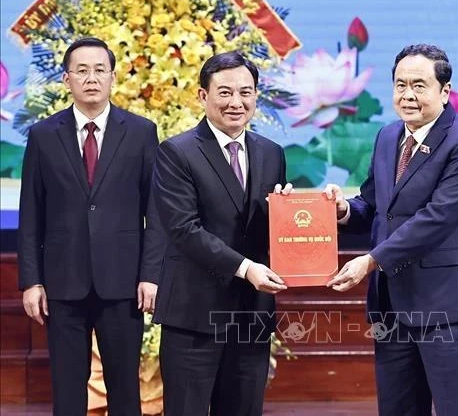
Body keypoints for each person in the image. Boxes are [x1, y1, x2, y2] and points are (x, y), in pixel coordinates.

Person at [325, 44, 458, 416]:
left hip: (444, 305)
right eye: (400, 85)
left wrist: (371, 261)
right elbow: (374, 205)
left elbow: (438, 218)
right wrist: (342, 212)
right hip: (391, 305)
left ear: (445, 92)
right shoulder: (388, 136)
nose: (408, 95)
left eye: (419, 85)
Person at [18, 37, 163, 416]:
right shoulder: (43, 135)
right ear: (66, 79)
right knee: (67, 390)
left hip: (123, 282)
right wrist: (31, 280)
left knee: (124, 390)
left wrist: (150, 274)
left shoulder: (141, 132)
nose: (91, 78)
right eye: (81, 71)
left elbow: (157, 211)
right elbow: (31, 212)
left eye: (100, 70)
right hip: (62, 283)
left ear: (113, 77)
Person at [152, 51, 291, 416]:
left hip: (251, 318)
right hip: (194, 316)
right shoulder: (176, 152)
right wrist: (246, 268)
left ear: (256, 96)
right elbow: (184, 230)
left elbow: (267, 226)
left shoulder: (272, 153)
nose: (236, 102)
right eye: (225, 92)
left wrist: (291, 213)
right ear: (203, 96)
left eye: (246, 93)